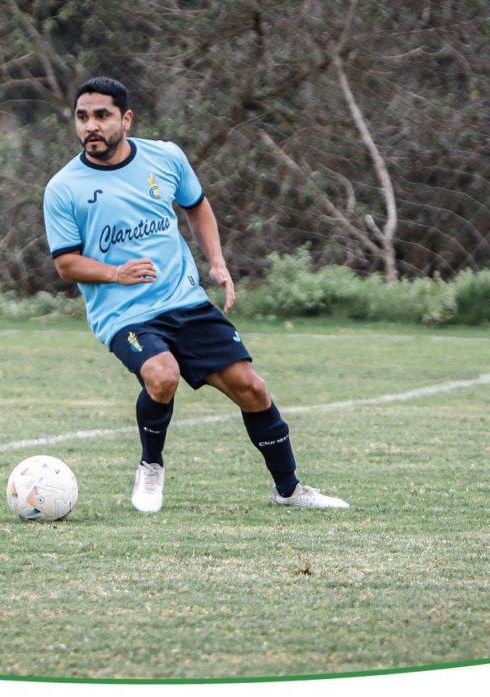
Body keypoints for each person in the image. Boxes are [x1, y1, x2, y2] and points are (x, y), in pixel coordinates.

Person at [43, 76, 348, 513]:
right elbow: (66, 263)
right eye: (82, 117)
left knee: (252, 389)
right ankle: (151, 466)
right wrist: (115, 273)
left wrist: (217, 262)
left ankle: (289, 490)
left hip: (185, 301)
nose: (91, 125)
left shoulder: (166, 158)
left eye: (102, 115)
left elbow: (197, 205)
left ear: (125, 120)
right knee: (162, 375)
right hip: (125, 314)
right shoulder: (64, 188)